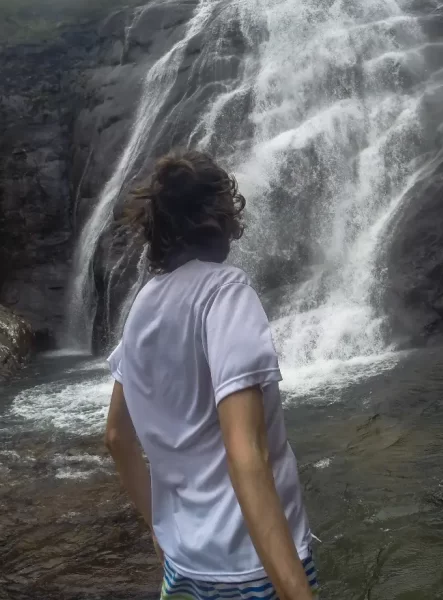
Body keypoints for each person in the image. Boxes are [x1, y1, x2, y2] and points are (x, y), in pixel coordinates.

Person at [103, 150, 319, 600]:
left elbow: (116, 438)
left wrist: (158, 532)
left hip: (183, 570)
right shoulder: (226, 293)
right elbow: (246, 454)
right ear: (221, 217)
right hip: (249, 573)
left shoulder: (144, 306)